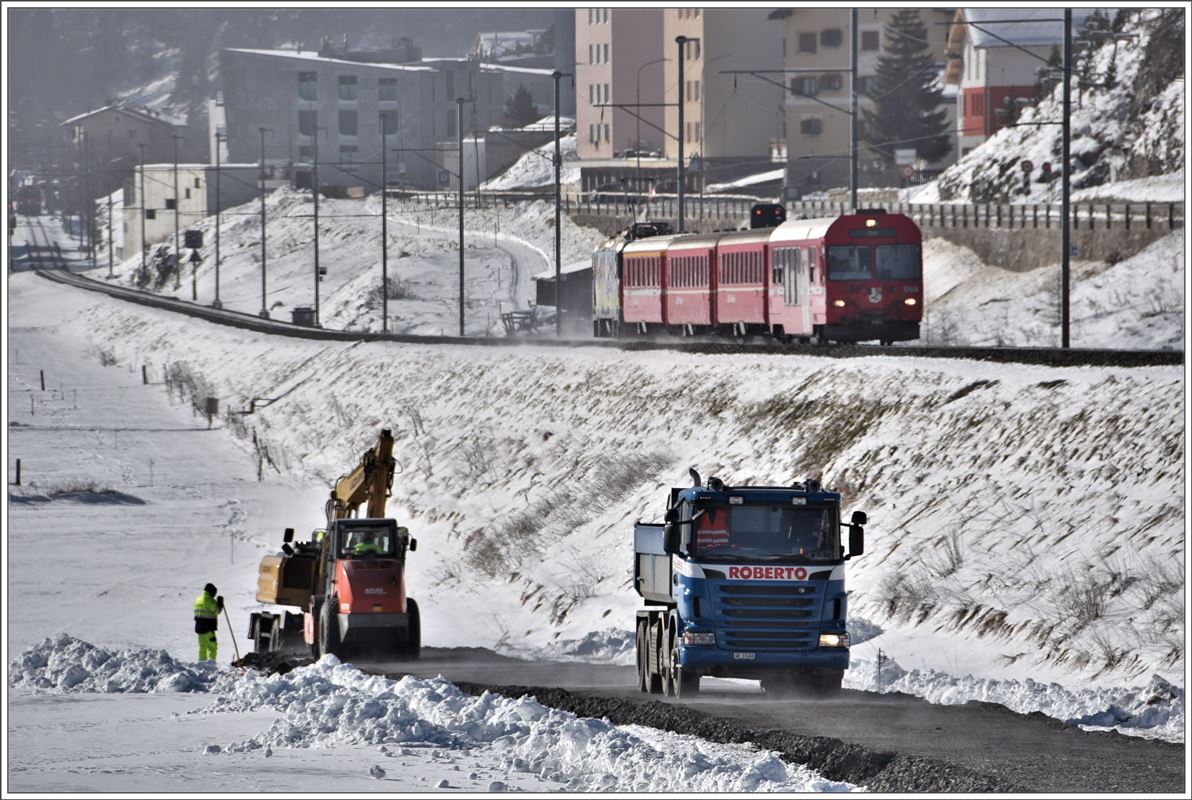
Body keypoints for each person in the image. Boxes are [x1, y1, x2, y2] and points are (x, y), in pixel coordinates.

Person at [193, 582, 224, 662]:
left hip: (199, 627)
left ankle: (201, 663)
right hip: (208, 628)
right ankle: (211, 664)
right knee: (212, 646)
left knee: (202, 647)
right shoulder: (209, 600)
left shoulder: (198, 599)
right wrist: (220, 604)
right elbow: (217, 611)